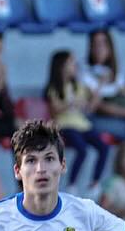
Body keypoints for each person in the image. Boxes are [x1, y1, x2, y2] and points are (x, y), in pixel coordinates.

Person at [45, 50, 110, 191]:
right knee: (82, 149)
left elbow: (89, 108)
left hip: (82, 125)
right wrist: (71, 103)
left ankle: (95, 182)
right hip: (66, 125)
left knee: (104, 147)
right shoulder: (54, 88)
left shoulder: (79, 87)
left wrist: (99, 87)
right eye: (71, 63)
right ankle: (72, 183)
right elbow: (55, 110)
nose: (75, 66)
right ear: (61, 66)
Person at [83, 29, 125, 151]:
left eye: (103, 44)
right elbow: (94, 108)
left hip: (119, 117)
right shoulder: (85, 74)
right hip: (95, 119)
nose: (99, 48)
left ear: (110, 47)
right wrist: (101, 83)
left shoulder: (116, 74)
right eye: (95, 44)